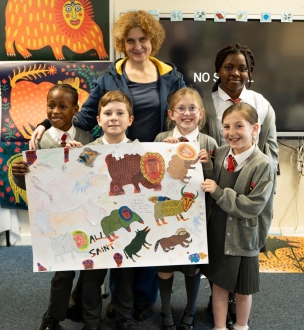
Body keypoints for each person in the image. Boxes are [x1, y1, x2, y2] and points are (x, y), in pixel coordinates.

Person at [31, 10, 186, 321]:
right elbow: (86, 117)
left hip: (152, 163)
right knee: (112, 226)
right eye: (130, 41)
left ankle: (139, 301)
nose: (137, 46)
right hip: (112, 161)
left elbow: (181, 112)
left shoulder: (172, 76)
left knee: (145, 230)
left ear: (153, 40)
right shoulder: (108, 77)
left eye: (143, 39)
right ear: (121, 43)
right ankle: (105, 299)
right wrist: (47, 123)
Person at [200, 43, 279, 328]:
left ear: (250, 72)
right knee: (220, 262)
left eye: (242, 68)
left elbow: (271, 146)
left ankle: (238, 310)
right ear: (218, 71)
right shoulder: (205, 104)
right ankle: (219, 308)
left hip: (252, 183)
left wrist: (263, 180)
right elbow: (203, 147)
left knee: (244, 263)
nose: (235, 73)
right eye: (228, 67)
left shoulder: (262, 104)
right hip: (218, 189)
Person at [11, 84, 93, 330]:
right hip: (58, 217)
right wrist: (19, 175)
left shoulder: (87, 138)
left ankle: (78, 305)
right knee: (64, 269)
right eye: (50, 105)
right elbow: (32, 181)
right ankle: (53, 317)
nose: (55, 111)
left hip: (84, 212)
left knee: (90, 265)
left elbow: (95, 174)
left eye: (62, 106)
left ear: (75, 109)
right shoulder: (39, 141)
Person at [66, 90, 136, 330]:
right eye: (107, 113)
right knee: (91, 277)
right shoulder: (88, 151)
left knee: (125, 277)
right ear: (98, 120)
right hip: (94, 225)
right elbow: (72, 178)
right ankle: (92, 321)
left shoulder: (140, 150)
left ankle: (124, 318)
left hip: (124, 227)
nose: (114, 118)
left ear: (130, 120)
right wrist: (71, 155)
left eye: (120, 113)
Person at [154, 87, 218, 330]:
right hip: (169, 215)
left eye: (192, 108)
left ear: (200, 113)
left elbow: (214, 182)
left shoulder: (209, 143)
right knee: (165, 266)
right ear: (171, 114)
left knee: (193, 269)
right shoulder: (161, 139)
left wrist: (208, 164)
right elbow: (154, 180)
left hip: (196, 219)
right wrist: (164, 152)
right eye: (180, 109)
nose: (187, 113)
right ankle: (166, 311)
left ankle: (190, 312)